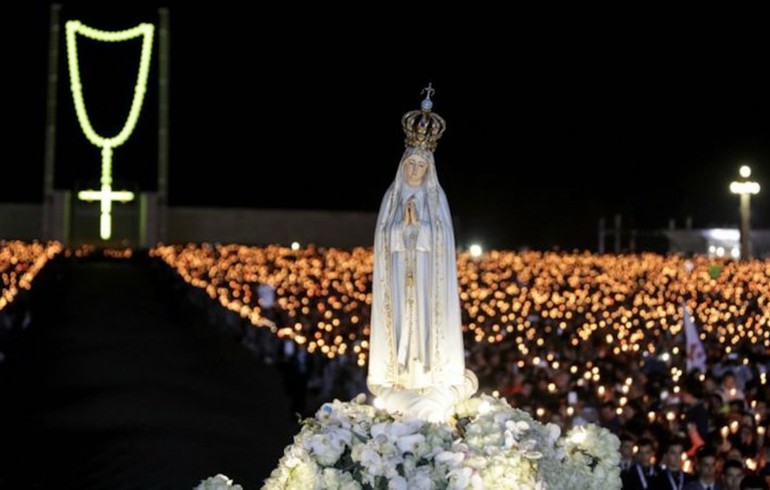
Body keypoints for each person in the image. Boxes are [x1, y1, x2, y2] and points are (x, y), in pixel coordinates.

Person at [367, 85, 476, 421]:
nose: (415, 172)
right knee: (401, 322)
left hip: (429, 279)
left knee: (427, 324)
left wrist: (421, 230)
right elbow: (384, 240)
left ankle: (430, 376)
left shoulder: (435, 199)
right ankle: (398, 374)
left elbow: (442, 240)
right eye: (411, 166)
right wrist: (404, 230)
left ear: (428, 169)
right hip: (399, 277)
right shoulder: (392, 200)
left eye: (420, 167)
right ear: (404, 167)